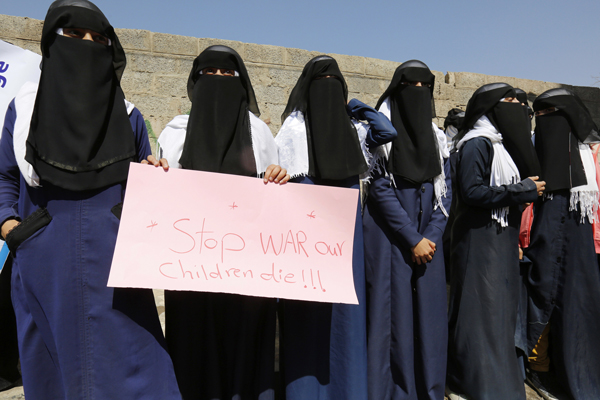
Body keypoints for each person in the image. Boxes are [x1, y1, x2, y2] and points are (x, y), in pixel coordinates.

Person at [0, 1, 181, 398]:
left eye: (98, 38)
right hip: (42, 252)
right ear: (52, 42)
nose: (86, 44)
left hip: (115, 256)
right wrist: (11, 226)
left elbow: (140, 187)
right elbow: (5, 176)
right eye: (74, 35)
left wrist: (154, 174)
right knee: (54, 371)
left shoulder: (130, 115)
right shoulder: (24, 107)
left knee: (134, 364)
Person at [157, 45, 288, 400]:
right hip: (191, 263)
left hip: (246, 265)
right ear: (195, 81)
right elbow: (164, 189)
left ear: (241, 82)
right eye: (209, 74)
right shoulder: (176, 131)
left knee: (243, 339)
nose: (218, 81)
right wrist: (158, 173)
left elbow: (271, 187)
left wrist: (276, 176)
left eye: (227, 75)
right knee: (195, 338)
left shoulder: (259, 132)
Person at [274, 55, 396, 400]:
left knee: (345, 319)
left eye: (335, 83)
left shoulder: (353, 132)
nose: (326, 90)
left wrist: (354, 105)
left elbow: (387, 131)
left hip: (345, 246)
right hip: (304, 249)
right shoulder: (292, 132)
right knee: (306, 318)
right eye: (319, 83)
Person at [446, 83, 543, 400]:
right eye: (509, 101)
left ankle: (499, 380)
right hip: (478, 241)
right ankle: (474, 380)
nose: (516, 106)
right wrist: (522, 191)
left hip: (499, 240)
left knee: (497, 312)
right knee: (478, 311)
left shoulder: (500, 146)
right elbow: (472, 192)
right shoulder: (476, 144)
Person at [363, 60, 451, 400]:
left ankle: (428, 388)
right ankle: (391, 391)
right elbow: (379, 190)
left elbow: (446, 191)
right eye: (409, 86)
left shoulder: (437, 138)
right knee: (391, 318)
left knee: (429, 319)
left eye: (424, 87)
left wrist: (431, 234)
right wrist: (412, 238)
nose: (417, 93)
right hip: (391, 238)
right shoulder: (381, 137)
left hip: (429, 240)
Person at [524, 88, 600, 400]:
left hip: (582, 246)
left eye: (549, 115)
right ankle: (538, 369)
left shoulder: (590, 156)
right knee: (540, 296)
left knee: (578, 308)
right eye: (538, 116)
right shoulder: (534, 148)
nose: (543, 122)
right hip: (542, 241)